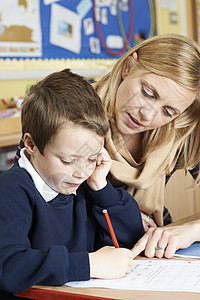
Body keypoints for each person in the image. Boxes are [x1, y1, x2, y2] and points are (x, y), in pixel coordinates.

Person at [13, 33, 200, 258]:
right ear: (128, 67)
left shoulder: (176, 134)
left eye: (168, 112)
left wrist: (192, 229)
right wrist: (124, 211)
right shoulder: (68, 114)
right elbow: (31, 200)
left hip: (143, 251)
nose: (148, 115)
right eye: (147, 93)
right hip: (74, 254)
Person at [0, 69, 144, 300]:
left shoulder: (85, 185)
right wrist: (89, 264)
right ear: (31, 144)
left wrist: (102, 188)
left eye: (91, 157)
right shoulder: (12, 191)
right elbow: (8, 266)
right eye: (67, 161)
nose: (81, 172)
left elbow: (131, 237)